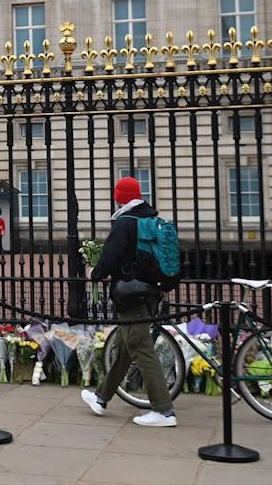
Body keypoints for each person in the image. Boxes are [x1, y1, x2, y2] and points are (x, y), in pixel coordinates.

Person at [81, 176, 177, 427]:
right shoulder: (150, 218)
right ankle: (102, 398)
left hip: (130, 293)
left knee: (142, 348)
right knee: (125, 347)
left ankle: (163, 411)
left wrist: (94, 273)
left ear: (118, 197)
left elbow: (110, 258)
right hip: (150, 291)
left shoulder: (125, 223)